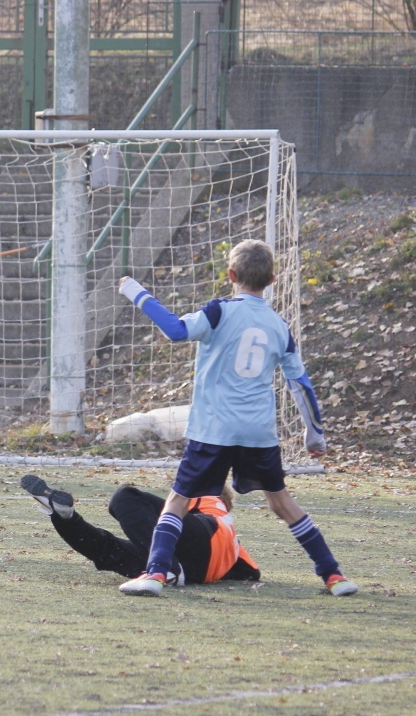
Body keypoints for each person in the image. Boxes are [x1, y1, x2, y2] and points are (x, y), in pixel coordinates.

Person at [115, 238, 357, 597]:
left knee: (178, 502)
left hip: (215, 428)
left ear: (230, 274)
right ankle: (334, 575)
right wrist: (314, 434)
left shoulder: (219, 311)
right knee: (281, 503)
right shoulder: (278, 326)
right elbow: (300, 384)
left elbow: (176, 330)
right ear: (272, 280)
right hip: (258, 432)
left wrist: (136, 292)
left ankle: (155, 574)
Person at [20, 475, 260, 586]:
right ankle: (64, 516)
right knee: (107, 551)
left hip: (201, 536)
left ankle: (166, 568)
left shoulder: (207, 497)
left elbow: (177, 505)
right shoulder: (236, 544)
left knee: (125, 497)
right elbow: (252, 573)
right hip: (194, 571)